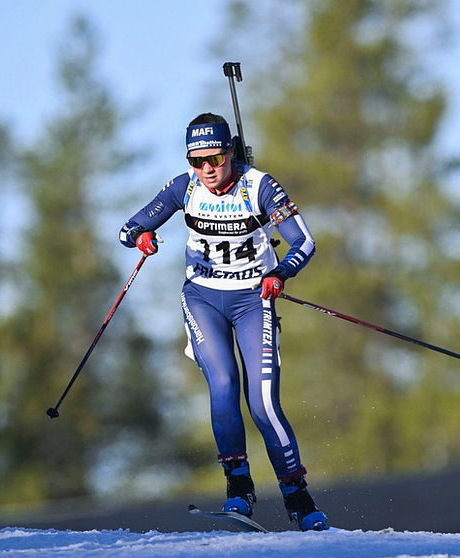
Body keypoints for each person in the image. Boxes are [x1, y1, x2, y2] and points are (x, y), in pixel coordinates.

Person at [118, 113, 328, 531]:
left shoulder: (260, 187)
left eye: (214, 157)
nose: (207, 169)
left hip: (254, 299)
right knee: (224, 386)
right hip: (203, 299)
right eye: (197, 160)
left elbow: (305, 241)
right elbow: (128, 228)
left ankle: (297, 496)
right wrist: (143, 237)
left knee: (264, 402)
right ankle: (238, 487)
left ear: (230, 152)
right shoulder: (186, 187)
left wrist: (279, 272)